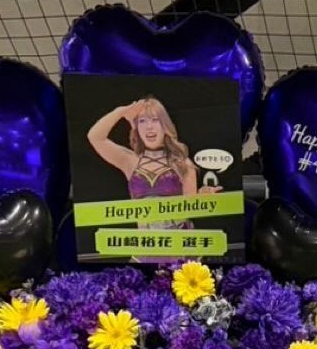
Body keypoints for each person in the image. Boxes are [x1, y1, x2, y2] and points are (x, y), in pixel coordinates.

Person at [86, 97, 221, 258]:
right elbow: (95, 137)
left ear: (165, 125)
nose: (149, 127)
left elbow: (189, 208)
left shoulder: (183, 163)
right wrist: (121, 111)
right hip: (145, 250)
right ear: (136, 127)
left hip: (180, 249)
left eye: (155, 120)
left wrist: (201, 197)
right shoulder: (130, 161)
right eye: (142, 121)